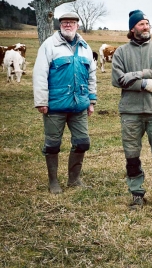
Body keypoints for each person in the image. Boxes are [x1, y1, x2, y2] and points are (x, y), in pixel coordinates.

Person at [112, 10, 152, 211]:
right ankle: (136, 194)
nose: (146, 27)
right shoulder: (121, 52)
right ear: (132, 28)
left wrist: (139, 74)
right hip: (130, 113)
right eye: (141, 24)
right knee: (132, 155)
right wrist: (142, 84)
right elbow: (117, 80)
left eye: (147, 23)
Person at [33, 12, 97, 194]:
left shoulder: (85, 47)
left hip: (79, 106)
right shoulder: (49, 46)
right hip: (55, 106)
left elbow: (91, 76)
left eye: (71, 22)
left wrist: (91, 101)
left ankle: (74, 180)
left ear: (78, 25)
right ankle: (53, 182)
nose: (68, 25)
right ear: (59, 25)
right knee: (52, 145)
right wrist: (41, 101)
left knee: (83, 142)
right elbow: (39, 75)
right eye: (64, 22)